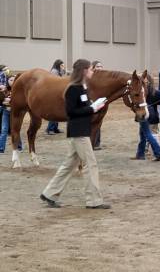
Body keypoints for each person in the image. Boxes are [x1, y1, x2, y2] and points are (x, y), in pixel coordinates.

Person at [40, 59, 110, 209]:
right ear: (84, 70)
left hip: (81, 130)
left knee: (69, 165)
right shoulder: (73, 88)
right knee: (91, 164)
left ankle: (49, 194)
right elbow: (71, 112)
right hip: (79, 132)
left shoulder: (82, 87)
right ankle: (94, 200)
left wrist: (94, 105)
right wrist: (93, 108)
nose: (93, 71)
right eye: (91, 69)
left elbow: (82, 108)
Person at [131, 73, 160, 161]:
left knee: (147, 134)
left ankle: (158, 152)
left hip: (144, 113)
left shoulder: (142, 91)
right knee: (144, 134)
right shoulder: (156, 92)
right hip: (153, 114)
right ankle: (140, 154)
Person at [0, 75, 23, 153]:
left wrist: (11, 100)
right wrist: (3, 101)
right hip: (5, 112)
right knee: (4, 130)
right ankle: (1, 148)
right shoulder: (4, 90)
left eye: (14, 80)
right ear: (7, 81)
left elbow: (21, 102)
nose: (12, 82)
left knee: (15, 130)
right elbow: (1, 100)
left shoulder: (19, 91)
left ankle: (19, 146)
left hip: (15, 113)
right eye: (10, 80)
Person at [46, 59, 66, 135]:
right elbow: (56, 82)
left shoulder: (59, 71)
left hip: (57, 93)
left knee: (58, 112)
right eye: (62, 65)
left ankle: (55, 128)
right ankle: (50, 129)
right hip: (53, 94)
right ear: (58, 65)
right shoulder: (54, 71)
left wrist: (63, 71)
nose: (63, 67)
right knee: (54, 112)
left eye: (63, 65)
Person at [91, 60, 104, 150]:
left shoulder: (104, 78)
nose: (99, 68)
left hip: (101, 103)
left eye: (101, 66)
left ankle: (96, 143)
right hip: (93, 103)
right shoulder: (91, 77)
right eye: (97, 66)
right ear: (93, 68)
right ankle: (92, 143)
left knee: (99, 122)